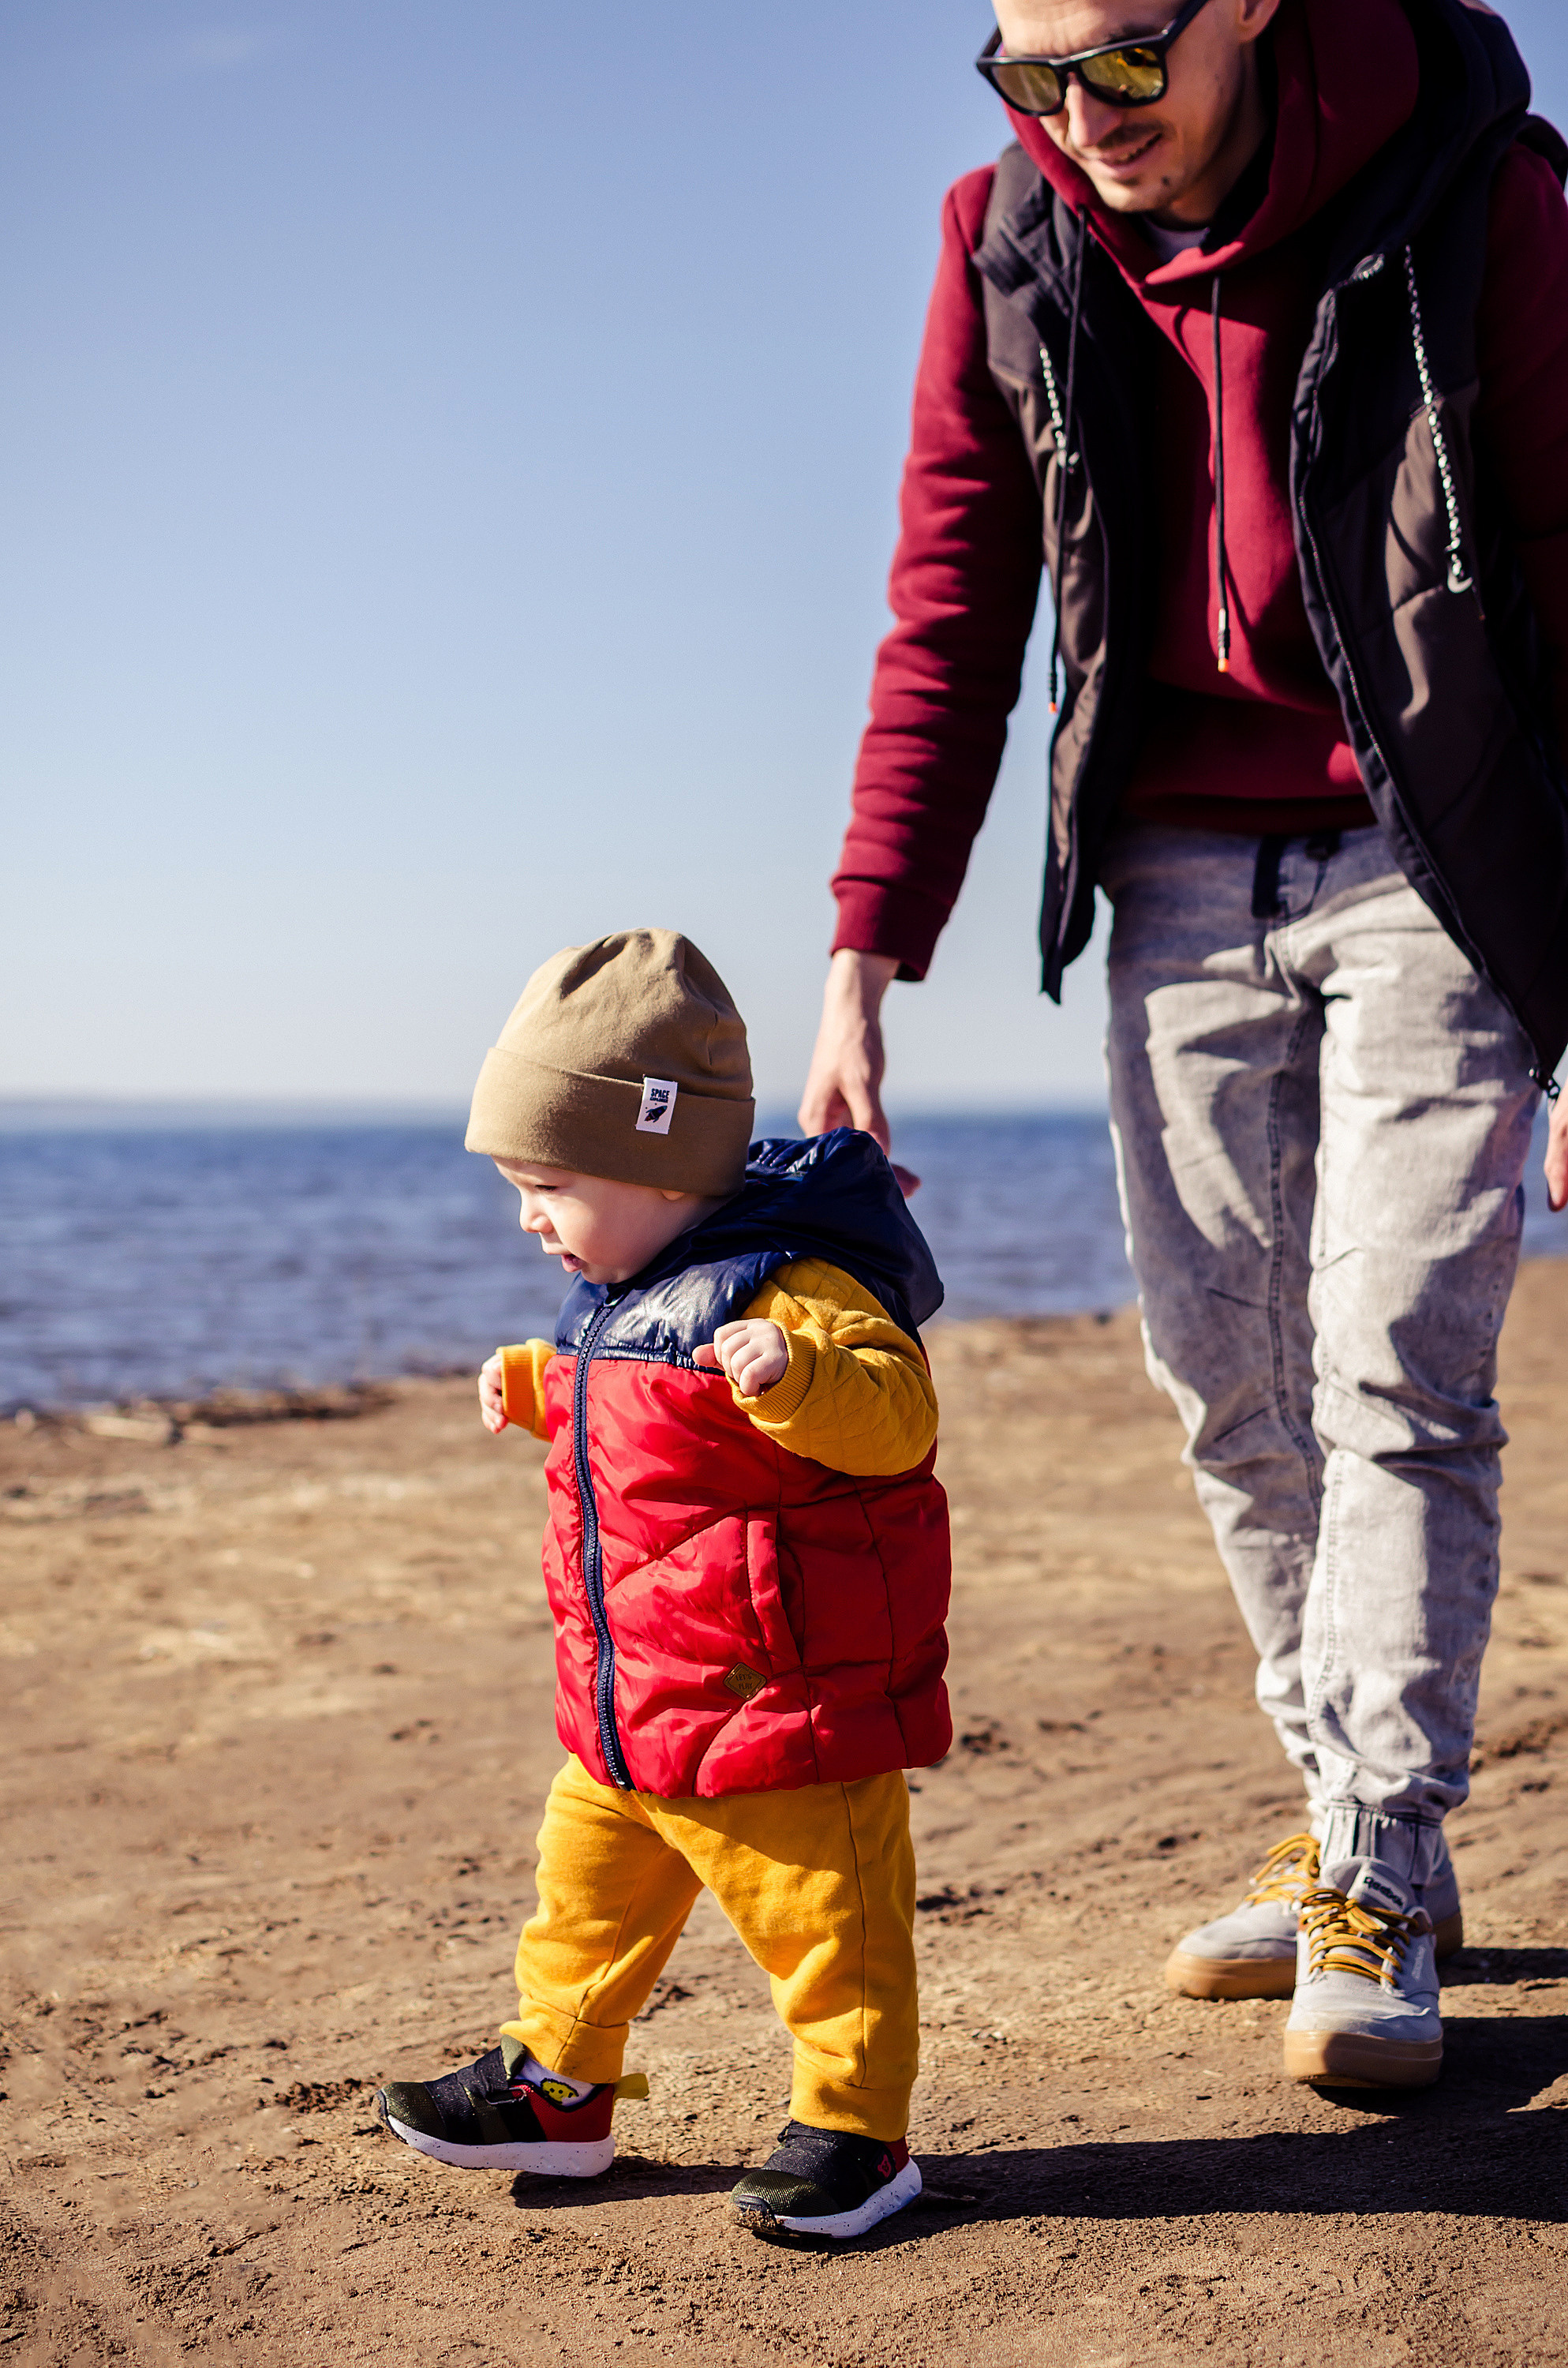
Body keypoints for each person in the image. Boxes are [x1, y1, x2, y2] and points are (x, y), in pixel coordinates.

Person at [800, 0, 1568, 2090]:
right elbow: (950, 606)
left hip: (1438, 856)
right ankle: (1344, 1812)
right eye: (1025, 73)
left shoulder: (1472, 191)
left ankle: (1381, 1880)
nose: (1077, 117)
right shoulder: (1008, 241)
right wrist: (866, 948)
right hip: (1168, 871)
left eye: (1121, 62)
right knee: (1225, 1385)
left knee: (1392, 1365)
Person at [376, 929, 950, 2241]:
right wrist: (537, 1382)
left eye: (548, 1181)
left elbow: (896, 1417)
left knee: (829, 1932)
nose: (529, 1215)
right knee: (578, 1904)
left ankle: (857, 2134)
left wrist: (800, 1378)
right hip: (635, 1709)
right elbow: (636, 1405)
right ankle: (560, 2087)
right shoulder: (623, 1284)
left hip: (778, 1708)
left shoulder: (792, 1284)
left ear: (656, 1159)